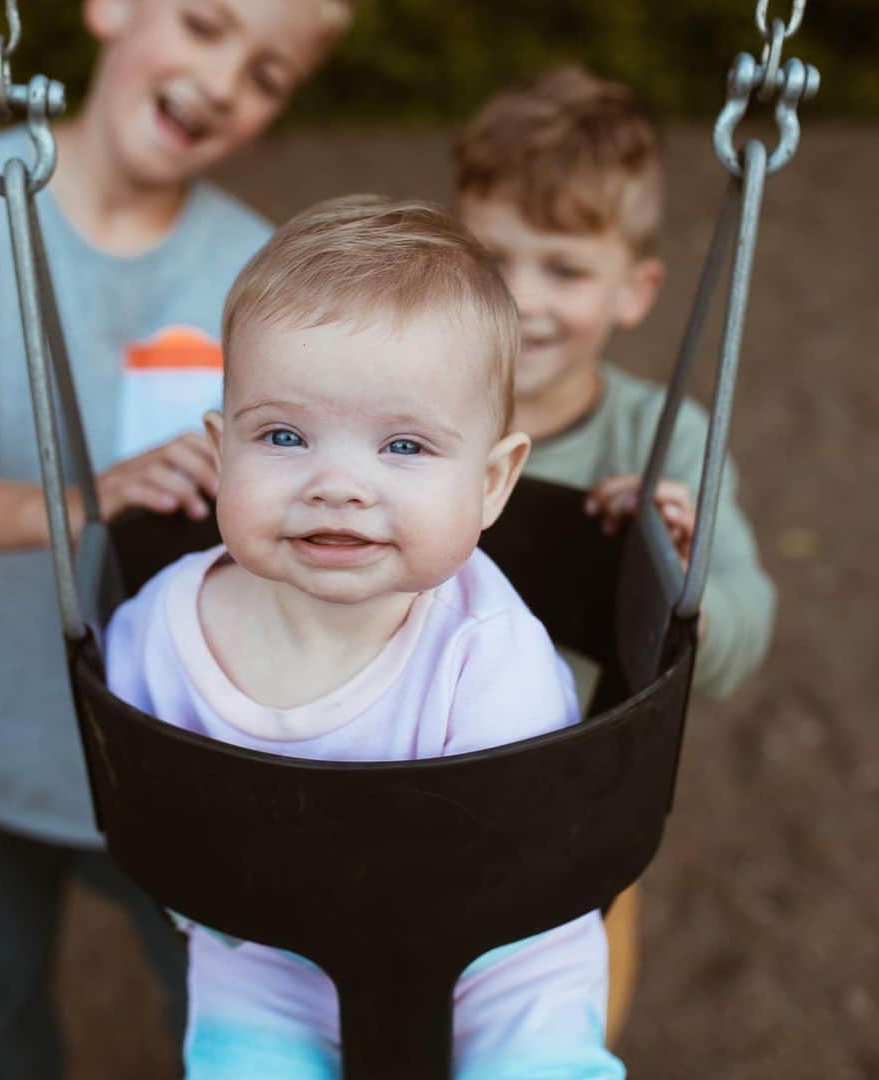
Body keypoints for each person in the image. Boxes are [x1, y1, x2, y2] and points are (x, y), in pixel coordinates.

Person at [0, 2, 355, 1076]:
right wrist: (93, 497)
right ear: (109, 9)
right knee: (2, 1006)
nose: (226, 81)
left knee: (218, 1010)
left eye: (268, 73)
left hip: (162, 743)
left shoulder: (252, 266)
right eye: (204, 24)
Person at [106, 195, 626, 1079]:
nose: (337, 483)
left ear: (492, 483)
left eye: (405, 447)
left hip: (496, 957)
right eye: (282, 435)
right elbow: (144, 791)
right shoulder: (160, 627)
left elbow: (525, 854)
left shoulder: (489, 652)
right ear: (220, 451)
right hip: (265, 959)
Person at [453, 64, 777, 1044]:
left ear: (635, 290)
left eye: (564, 268)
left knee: (545, 1042)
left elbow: (745, 626)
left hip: (570, 817)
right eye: (491, 256)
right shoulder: (405, 408)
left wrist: (678, 579)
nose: (523, 299)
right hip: (391, 777)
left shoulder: (663, 436)